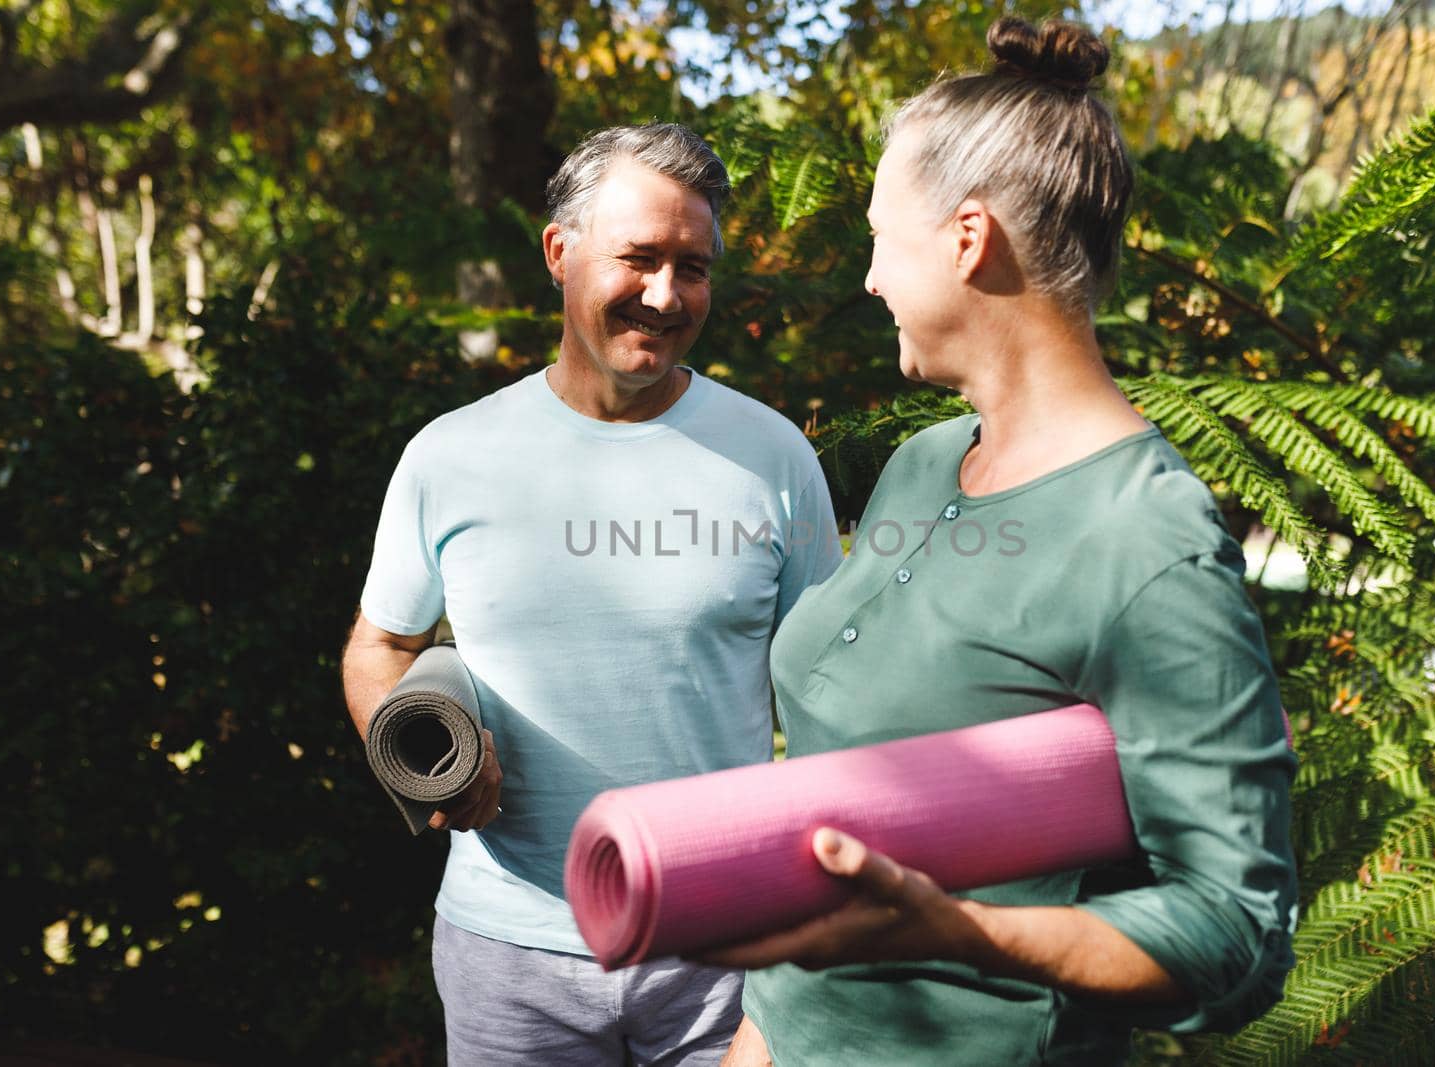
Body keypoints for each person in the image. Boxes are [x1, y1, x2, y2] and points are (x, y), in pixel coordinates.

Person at [706, 17, 1298, 1067]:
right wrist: (758, 1035)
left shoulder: (1146, 543)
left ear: (968, 238)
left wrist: (962, 931)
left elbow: (1237, 933)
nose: (869, 277)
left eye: (882, 236)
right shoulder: (923, 463)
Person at [340, 123, 843, 1066]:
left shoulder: (774, 455)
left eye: (692, 266)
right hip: (507, 955)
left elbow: (836, 697)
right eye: (639, 258)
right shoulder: (449, 457)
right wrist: (411, 751)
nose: (666, 295)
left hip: (722, 955)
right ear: (558, 253)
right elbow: (379, 647)